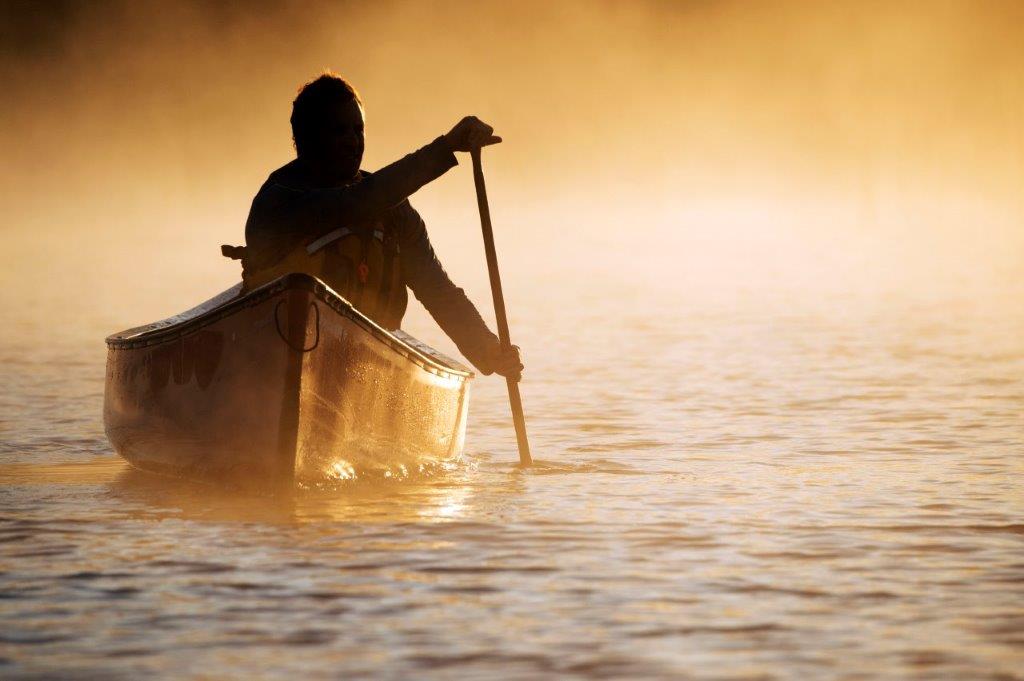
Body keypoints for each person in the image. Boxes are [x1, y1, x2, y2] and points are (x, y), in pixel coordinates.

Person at [236, 72, 522, 381]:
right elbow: (354, 204)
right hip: (272, 364)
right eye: (339, 130)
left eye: (358, 130)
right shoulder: (279, 201)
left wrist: (489, 351)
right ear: (307, 138)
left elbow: (438, 292)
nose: (352, 140)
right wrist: (446, 148)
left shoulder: (395, 213)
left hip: (365, 372)